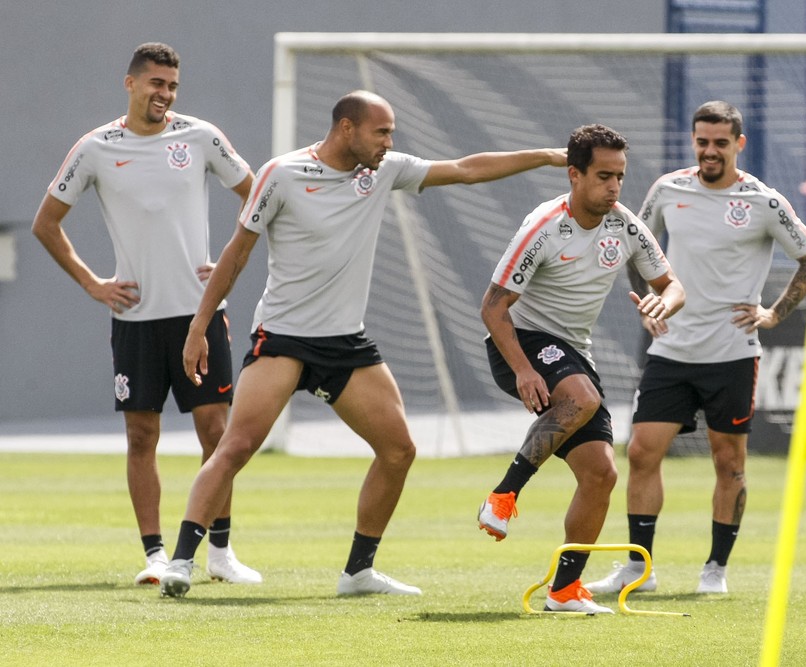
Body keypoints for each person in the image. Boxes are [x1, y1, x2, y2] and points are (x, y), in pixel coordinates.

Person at [157, 89, 567, 598]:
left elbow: (464, 169)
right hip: (283, 339)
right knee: (234, 447)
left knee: (398, 451)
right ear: (346, 128)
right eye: (382, 131)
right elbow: (236, 254)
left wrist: (548, 156)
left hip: (346, 345)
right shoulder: (280, 173)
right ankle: (179, 562)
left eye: (391, 132)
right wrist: (199, 327)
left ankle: (358, 572)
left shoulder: (384, 171)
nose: (389, 142)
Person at [32, 42, 261, 586]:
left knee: (215, 432)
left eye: (173, 86)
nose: (165, 95)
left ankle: (221, 553)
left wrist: (228, 263)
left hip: (199, 316)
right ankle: (155, 555)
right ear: (130, 83)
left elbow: (260, 199)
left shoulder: (202, 137)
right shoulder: (94, 148)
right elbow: (46, 223)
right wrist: (93, 283)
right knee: (141, 435)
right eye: (156, 83)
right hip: (135, 319)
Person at [585, 101, 806, 596]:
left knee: (728, 462)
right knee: (643, 453)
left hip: (733, 354)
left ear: (739, 144)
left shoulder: (763, 201)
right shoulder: (668, 190)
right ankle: (638, 568)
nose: (710, 151)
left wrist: (773, 314)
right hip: (670, 351)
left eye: (720, 142)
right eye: (702, 141)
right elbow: (636, 241)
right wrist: (651, 299)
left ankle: (715, 569)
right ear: (694, 141)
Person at [476, 124, 685, 614]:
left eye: (620, 177)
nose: (614, 188)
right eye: (603, 176)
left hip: (572, 354)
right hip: (519, 345)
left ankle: (565, 590)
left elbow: (673, 283)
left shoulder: (625, 224)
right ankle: (504, 495)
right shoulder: (544, 226)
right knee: (585, 397)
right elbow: (492, 307)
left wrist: (662, 304)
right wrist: (525, 371)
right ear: (574, 175)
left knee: (601, 474)